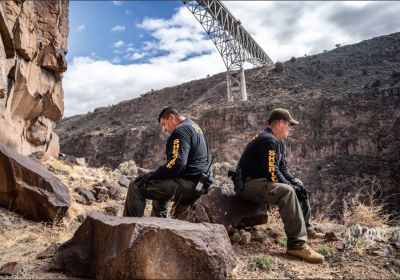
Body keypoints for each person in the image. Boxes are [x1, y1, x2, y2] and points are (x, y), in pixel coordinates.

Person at [232, 108, 324, 263]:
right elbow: (272, 173)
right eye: (289, 124)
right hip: (246, 185)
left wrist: (295, 184)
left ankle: (307, 229)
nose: (290, 128)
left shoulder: (278, 142)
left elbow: (282, 169)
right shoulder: (268, 140)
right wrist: (291, 186)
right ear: (281, 123)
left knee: (298, 184)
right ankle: (297, 245)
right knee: (287, 191)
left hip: (259, 181)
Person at [123, 107, 212, 218]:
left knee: (136, 186)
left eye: (164, 124)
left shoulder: (180, 131)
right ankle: (158, 227)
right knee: (160, 186)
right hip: (201, 182)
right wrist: (158, 175)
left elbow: (177, 164)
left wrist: (152, 175)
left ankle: (128, 227)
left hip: (191, 184)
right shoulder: (195, 127)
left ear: (171, 117)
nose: (164, 129)